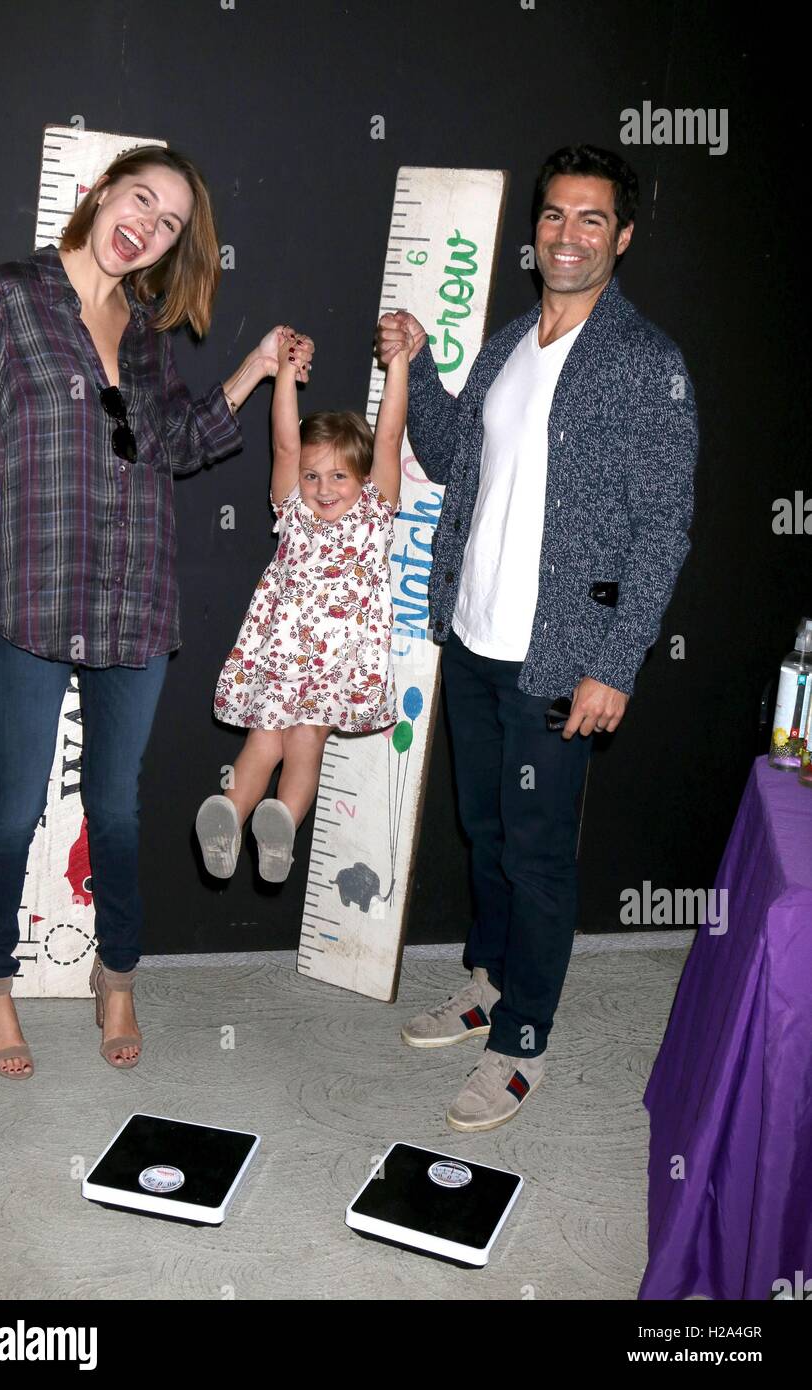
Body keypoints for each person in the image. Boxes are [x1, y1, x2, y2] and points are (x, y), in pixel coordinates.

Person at [0, 144, 289, 1076]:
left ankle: (119, 974)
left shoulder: (144, 332)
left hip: (135, 599)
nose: (148, 224)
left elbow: (172, 443)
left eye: (171, 221)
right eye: (142, 198)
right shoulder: (9, 297)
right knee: (14, 806)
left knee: (120, 809)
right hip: (27, 594)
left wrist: (255, 369)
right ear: (101, 194)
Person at [377, 144, 698, 1133]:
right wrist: (417, 359)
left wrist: (615, 661)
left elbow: (663, 525)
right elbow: (444, 454)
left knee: (538, 851)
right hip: (471, 642)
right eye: (553, 216)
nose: (566, 233)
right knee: (483, 831)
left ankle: (521, 1040)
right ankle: (487, 979)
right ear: (534, 235)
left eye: (590, 218)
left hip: (556, 661)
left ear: (623, 236)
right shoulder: (510, 343)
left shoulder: (647, 366)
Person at [195, 319, 412, 882]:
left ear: (364, 480)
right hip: (297, 654)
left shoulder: (374, 511)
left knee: (281, 739)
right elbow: (285, 440)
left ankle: (261, 820)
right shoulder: (294, 509)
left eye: (340, 475)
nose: (322, 487)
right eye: (312, 476)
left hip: (316, 657)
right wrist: (285, 374)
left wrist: (401, 366)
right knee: (284, 740)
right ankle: (246, 817)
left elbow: (389, 436)